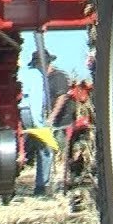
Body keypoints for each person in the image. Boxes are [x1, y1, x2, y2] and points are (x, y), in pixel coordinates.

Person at [28, 51, 73, 197]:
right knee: (42, 150)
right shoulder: (41, 80)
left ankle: (47, 185)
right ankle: (42, 185)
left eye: (36, 65)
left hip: (61, 122)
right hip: (45, 121)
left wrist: (52, 117)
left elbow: (62, 97)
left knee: (49, 151)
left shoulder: (58, 77)